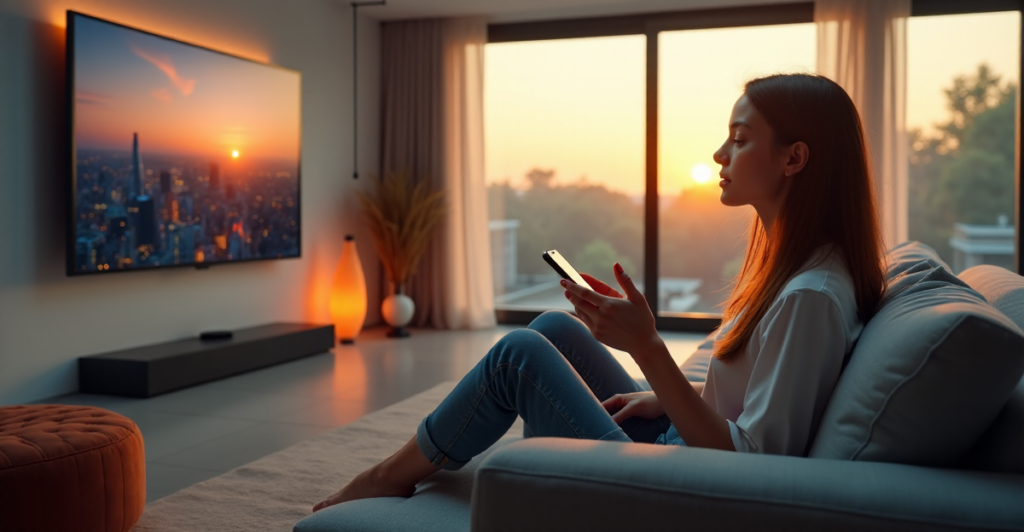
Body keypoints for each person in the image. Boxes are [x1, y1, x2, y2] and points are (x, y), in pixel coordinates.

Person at [312, 72, 886, 512]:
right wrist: (664, 397)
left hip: (677, 487)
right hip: (680, 446)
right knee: (553, 329)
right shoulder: (801, 270)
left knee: (517, 356)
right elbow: (758, 395)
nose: (719, 154)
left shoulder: (809, 297)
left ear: (794, 158)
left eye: (739, 139)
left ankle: (388, 477)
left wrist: (648, 348)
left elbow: (754, 467)